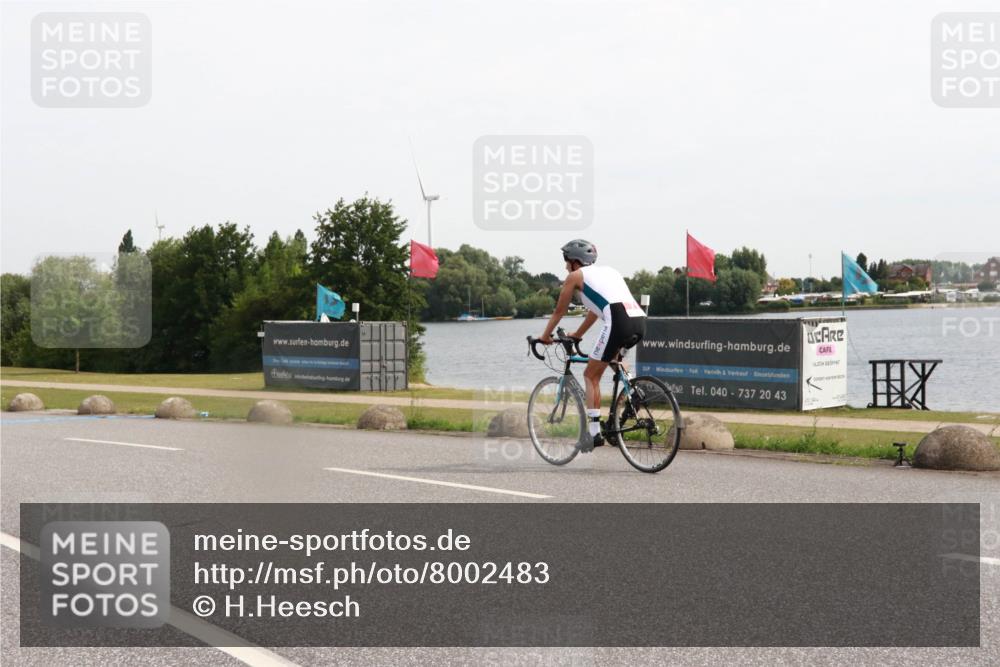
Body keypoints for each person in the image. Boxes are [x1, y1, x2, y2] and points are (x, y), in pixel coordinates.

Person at [538, 239, 646, 450]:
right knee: (614, 360)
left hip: (619, 320)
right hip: (639, 320)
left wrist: (545, 336)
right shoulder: (610, 272)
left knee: (590, 375)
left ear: (575, 261)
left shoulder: (575, 276)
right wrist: (578, 334)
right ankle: (633, 391)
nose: (565, 265)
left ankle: (595, 434)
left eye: (566, 260)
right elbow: (594, 312)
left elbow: (559, 311)